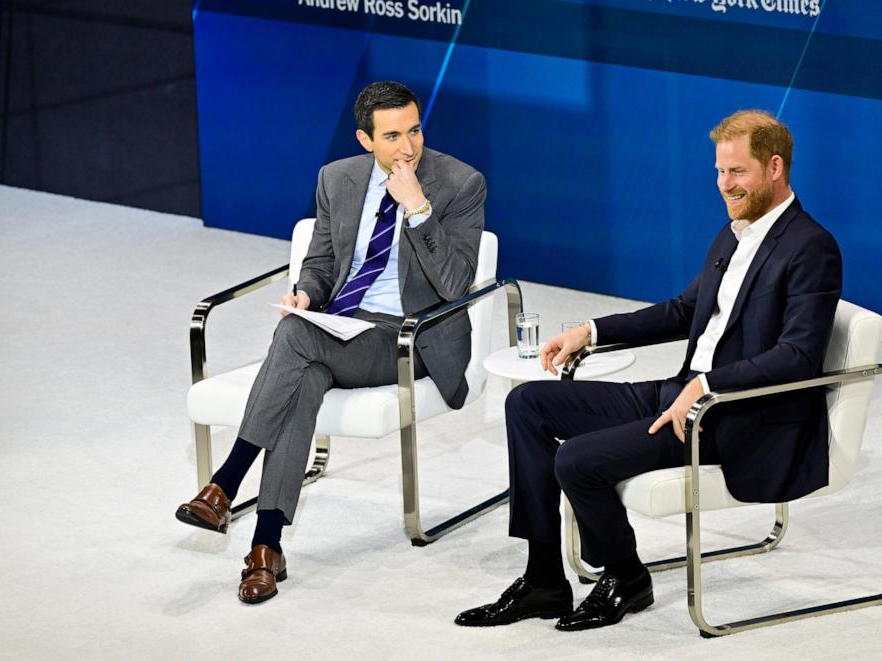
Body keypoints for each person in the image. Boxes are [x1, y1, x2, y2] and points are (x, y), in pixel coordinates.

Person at [456, 110, 841, 631]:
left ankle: (626, 577)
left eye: (738, 173)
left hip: (734, 416)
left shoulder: (811, 246)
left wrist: (708, 386)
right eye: (719, 172)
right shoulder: (733, 234)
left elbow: (798, 354)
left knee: (577, 461)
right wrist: (590, 331)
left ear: (775, 167)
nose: (725, 185)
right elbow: (683, 312)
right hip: (680, 393)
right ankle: (544, 577)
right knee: (527, 403)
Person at [176, 81, 486, 604]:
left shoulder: (459, 183)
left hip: (408, 336)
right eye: (392, 136)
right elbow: (320, 263)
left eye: (414, 130)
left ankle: (226, 481)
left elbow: (456, 286)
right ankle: (265, 547)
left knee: (295, 338)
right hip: (340, 327)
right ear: (365, 139)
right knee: (304, 374)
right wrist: (305, 293)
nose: (408, 147)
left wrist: (417, 209)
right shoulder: (337, 179)